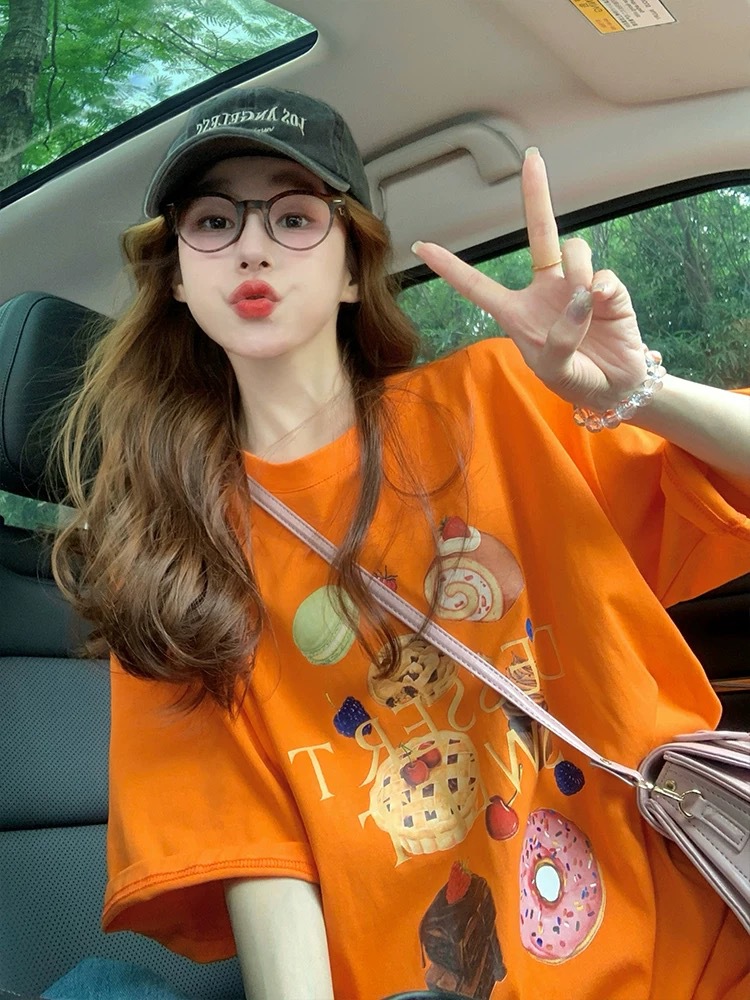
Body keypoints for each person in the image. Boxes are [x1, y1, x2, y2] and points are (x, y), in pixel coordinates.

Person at [52, 85, 750, 1000]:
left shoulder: (495, 400)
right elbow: (259, 856)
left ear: (353, 269)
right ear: (177, 274)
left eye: (295, 216)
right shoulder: (166, 552)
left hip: (699, 959)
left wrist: (635, 392)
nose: (253, 245)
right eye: (214, 221)